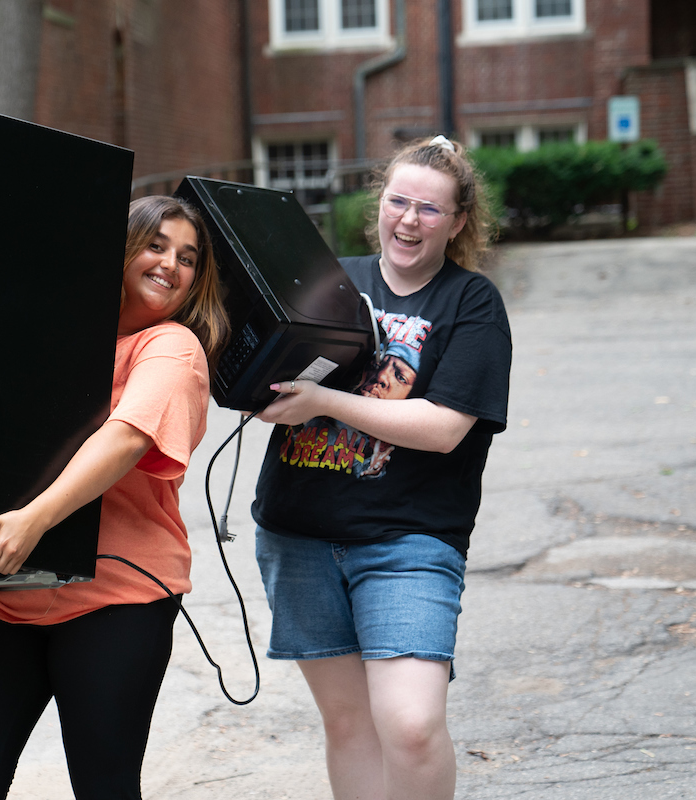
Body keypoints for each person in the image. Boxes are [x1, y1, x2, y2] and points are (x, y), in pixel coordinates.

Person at [0, 195, 228, 799]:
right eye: (156, 245)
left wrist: (36, 517)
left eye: (187, 257)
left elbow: (127, 437)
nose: (170, 264)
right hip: (6, 595)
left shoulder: (171, 348)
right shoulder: (47, 336)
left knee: (104, 789)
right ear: (122, 248)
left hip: (117, 597)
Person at [251, 135, 512, 800]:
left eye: (430, 209)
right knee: (349, 726)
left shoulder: (471, 304)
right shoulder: (331, 280)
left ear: (457, 222)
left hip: (408, 542)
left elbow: (445, 427)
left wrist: (322, 401)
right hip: (298, 536)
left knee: (412, 724)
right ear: (380, 206)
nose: (409, 219)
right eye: (399, 201)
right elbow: (272, 373)